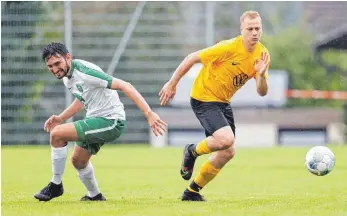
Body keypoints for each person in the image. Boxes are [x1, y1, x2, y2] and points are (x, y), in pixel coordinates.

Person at [34, 42, 167, 202]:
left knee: (57, 134)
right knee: (78, 161)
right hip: (95, 119)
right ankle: (95, 195)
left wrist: (149, 113)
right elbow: (83, 99)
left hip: (111, 121)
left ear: (68, 57)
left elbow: (126, 85)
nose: (55, 69)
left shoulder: (85, 72)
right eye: (50, 66)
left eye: (57, 63)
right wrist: (61, 117)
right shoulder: (67, 76)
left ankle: (55, 184)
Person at [159, 11, 270, 201]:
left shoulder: (262, 54)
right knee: (226, 139)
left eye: (257, 28)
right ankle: (191, 151)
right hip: (203, 97)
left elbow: (262, 92)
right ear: (241, 30)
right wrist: (172, 84)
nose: (254, 33)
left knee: (228, 151)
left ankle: (192, 192)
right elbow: (191, 58)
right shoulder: (227, 48)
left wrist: (260, 75)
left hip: (223, 102)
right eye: (249, 29)